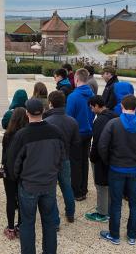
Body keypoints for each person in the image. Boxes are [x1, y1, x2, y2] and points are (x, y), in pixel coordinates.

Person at [98, 95, 136, 246]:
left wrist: (109, 161)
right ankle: (132, 236)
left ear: (122, 107)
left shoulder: (113, 124)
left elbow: (102, 146)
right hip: (135, 169)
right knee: (135, 203)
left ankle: (114, 235)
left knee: (116, 203)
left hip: (116, 168)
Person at [12, 98, 64, 254]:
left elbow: (14, 163)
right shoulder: (56, 132)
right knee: (49, 223)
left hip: (28, 186)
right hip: (48, 184)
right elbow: (62, 158)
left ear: (27, 113)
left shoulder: (22, 135)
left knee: (27, 223)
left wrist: (18, 178)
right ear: (43, 111)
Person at [44, 90, 79, 224]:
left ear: (51, 103)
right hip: (65, 158)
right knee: (66, 187)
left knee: (51, 190)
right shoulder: (72, 121)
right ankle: (70, 214)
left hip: (50, 161)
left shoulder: (46, 121)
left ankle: (55, 220)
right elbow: (76, 143)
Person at [85, 95, 118, 222]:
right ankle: (109, 208)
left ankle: (102, 213)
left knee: (100, 185)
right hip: (113, 156)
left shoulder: (99, 121)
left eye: (92, 108)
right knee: (109, 184)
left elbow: (97, 142)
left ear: (97, 106)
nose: (92, 110)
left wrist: (92, 157)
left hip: (100, 158)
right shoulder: (115, 116)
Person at [65, 68, 95, 200]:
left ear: (76, 79)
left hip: (76, 133)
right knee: (84, 161)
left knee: (75, 163)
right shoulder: (92, 95)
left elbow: (68, 117)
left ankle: (76, 191)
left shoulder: (73, 96)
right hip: (88, 131)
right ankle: (84, 188)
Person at [1, 107, 28, 240]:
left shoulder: (8, 134)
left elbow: (4, 156)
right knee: (22, 198)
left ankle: (11, 228)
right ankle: (21, 226)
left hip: (9, 171)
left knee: (10, 199)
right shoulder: (27, 134)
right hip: (23, 171)